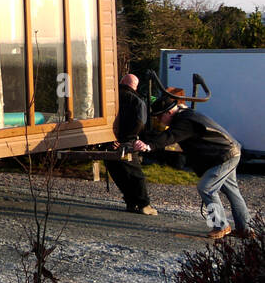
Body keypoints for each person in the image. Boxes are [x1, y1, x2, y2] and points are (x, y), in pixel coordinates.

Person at [135, 93, 253, 240]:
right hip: (229, 151)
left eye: (159, 116)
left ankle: (221, 226)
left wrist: (148, 146)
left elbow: (170, 136)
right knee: (232, 192)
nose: (158, 120)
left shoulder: (184, 122)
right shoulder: (186, 115)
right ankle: (245, 230)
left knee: (206, 188)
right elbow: (169, 135)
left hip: (224, 156)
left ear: (169, 112)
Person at [108, 73, 157, 215]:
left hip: (109, 142)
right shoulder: (136, 100)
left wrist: (112, 139)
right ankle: (144, 204)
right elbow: (140, 122)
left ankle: (130, 202)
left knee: (118, 173)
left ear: (122, 82)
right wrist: (129, 139)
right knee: (136, 174)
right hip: (127, 141)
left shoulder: (110, 97)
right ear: (135, 86)